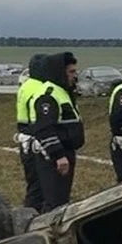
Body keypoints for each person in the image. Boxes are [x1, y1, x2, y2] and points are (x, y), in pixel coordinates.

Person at [29, 52, 85, 212]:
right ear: (60, 73)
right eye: (71, 72)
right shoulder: (48, 95)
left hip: (65, 152)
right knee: (54, 202)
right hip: (53, 157)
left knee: (61, 199)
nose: (75, 76)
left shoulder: (63, 92)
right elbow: (44, 129)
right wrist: (58, 155)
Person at [14, 54, 47, 212]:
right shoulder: (40, 88)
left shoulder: (26, 86)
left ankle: (30, 211)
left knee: (33, 182)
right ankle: (33, 215)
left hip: (24, 137)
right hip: (35, 138)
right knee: (40, 185)